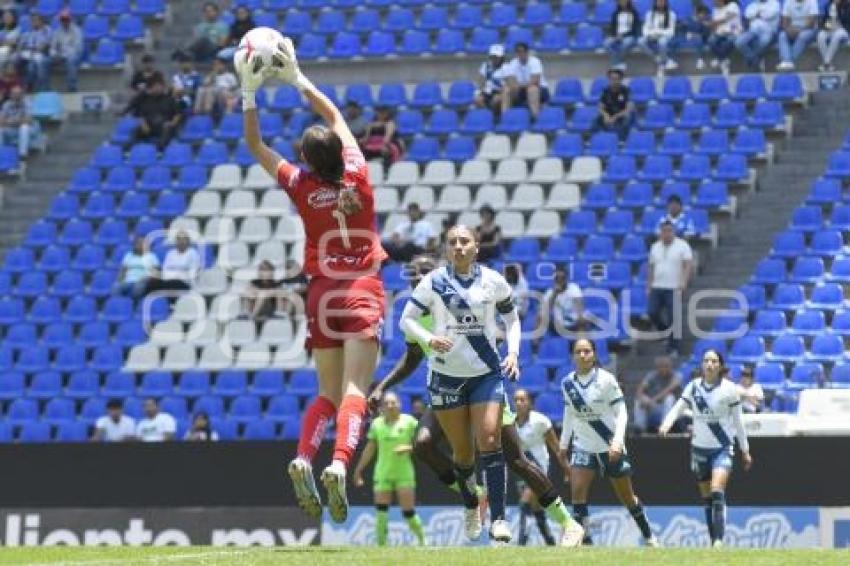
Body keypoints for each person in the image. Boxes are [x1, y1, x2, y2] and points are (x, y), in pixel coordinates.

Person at [239, 38, 388, 525]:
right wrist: (299, 76)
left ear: (305, 158)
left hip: (321, 292)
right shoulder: (357, 176)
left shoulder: (301, 186)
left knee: (325, 393)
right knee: (355, 392)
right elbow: (336, 118)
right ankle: (339, 466)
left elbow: (256, 146)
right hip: (361, 287)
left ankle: (305, 455)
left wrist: (250, 92)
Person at [370, 255, 584, 547]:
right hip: (446, 388)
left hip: (483, 384)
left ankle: (567, 521)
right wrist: (383, 386)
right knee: (423, 444)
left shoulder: (460, 299)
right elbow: (412, 358)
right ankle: (474, 495)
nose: (417, 278)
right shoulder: (417, 314)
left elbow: (498, 326)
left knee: (517, 460)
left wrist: (503, 347)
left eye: (424, 272)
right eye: (413, 275)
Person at [399, 224, 522, 543]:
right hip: (446, 377)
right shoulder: (434, 281)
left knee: (490, 438)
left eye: (464, 241)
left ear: (476, 247)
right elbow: (406, 320)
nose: (458, 246)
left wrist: (513, 353)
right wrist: (429, 337)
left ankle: (498, 519)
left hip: (486, 373)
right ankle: (470, 504)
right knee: (463, 454)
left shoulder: (493, 281)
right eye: (452, 242)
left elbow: (512, 319)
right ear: (446, 248)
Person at [560, 338, 658, 547]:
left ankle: (649, 536)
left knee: (627, 498)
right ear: (573, 356)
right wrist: (562, 445)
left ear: (594, 355)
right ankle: (586, 544)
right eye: (578, 351)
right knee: (577, 495)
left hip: (609, 446)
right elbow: (569, 413)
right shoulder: (567, 383)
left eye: (587, 351)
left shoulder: (606, 380)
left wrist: (617, 442)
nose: (583, 355)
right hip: (583, 446)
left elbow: (622, 413)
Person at [659, 349, 753, 548]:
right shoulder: (693, 388)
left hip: (722, 448)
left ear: (720, 366)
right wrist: (666, 423)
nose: (710, 364)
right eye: (706, 361)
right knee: (707, 499)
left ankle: (719, 541)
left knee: (717, 490)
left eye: (714, 361)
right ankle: (713, 542)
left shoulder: (730, 390)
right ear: (702, 365)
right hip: (699, 450)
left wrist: (745, 450)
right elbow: (677, 408)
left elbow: (739, 422)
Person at [353, 391, 426, 546]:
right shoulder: (377, 424)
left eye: (393, 402)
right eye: (387, 403)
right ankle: (381, 548)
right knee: (381, 513)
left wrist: (407, 447)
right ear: (382, 407)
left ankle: (423, 542)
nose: (390, 405)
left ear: (400, 404)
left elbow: (422, 444)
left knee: (408, 513)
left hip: (404, 473)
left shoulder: (410, 422)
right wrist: (358, 469)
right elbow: (370, 449)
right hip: (383, 473)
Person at [513, 389, 570, 546]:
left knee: (525, 502)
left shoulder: (540, 421)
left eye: (522, 399)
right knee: (536, 507)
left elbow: (556, 448)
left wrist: (567, 469)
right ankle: (550, 542)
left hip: (540, 468)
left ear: (530, 403)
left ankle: (521, 542)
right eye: (516, 400)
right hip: (521, 470)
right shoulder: (510, 423)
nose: (519, 403)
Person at [647, 222, 693, 356]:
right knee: (652, 312)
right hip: (657, 286)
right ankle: (665, 332)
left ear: (673, 232)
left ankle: (674, 348)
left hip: (674, 287)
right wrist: (648, 285)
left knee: (674, 317)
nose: (666, 234)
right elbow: (651, 267)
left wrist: (684, 281)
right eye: (664, 231)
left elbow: (688, 265)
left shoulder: (682, 246)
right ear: (660, 232)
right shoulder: (655, 247)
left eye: (669, 231)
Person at [633, 355, 682, 433]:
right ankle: (639, 428)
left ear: (670, 366)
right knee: (639, 401)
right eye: (661, 366)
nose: (664, 368)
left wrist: (653, 400)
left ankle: (665, 427)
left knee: (670, 398)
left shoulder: (677, 375)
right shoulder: (651, 375)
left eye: (666, 366)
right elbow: (640, 390)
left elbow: (668, 390)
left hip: (673, 410)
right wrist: (643, 399)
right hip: (654, 406)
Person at [500, 42, 549, 119]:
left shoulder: (535, 61)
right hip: (521, 90)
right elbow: (511, 81)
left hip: (540, 90)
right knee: (506, 89)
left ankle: (535, 117)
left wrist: (518, 86)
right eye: (518, 51)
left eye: (522, 51)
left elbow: (535, 81)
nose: (520, 53)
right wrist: (515, 86)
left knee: (532, 89)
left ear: (527, 52)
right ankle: (505, 117)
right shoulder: (513, 63)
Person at [130, 78, 181, 150]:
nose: (157, 88)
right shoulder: (146, 101)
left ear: (163, 87)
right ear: (151, 88)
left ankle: (159, 151)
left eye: (159, 86)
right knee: (135, 130)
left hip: (164, 126)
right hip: (149, 127)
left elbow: (177, 114)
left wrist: (172, 123)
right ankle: (129, 151)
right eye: (155, 86)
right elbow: (141, 115)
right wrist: (143, 124)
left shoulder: (169, 99)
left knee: (167, 129)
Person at [539, 266, 586, 335]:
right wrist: (554, 294)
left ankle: (581, 344)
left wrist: (579, 317)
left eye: (562, 278)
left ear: (566, 278)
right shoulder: (549, 293)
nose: (560, 280)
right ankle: (535, 344)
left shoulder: (574, 288)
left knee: (583, 320)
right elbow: (545, 311)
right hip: (557, 325)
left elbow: (579, 305)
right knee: (540, 318)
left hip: (573, 323)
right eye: (557, 278)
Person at [736, 0, 781, 70]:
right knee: (739, 42)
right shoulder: (754, 4)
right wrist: (757, 14)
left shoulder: (774, 3)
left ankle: (752, 60)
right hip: (752, 30)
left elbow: (769, 15)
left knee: (764, 41)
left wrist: (756, 15)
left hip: (768, 31)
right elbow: (747, 15)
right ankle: (755, 59)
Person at [593, 67, 635, 141]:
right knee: (595, 120)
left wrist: (615, 117)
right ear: (609, 79)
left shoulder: (626, 91)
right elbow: (600, 107)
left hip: (621, 115)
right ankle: (596, 141)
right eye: (612, 79)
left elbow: (629, 109)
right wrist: (605, 115)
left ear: (621, 79)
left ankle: (621, 142)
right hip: (609, 115)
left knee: (627, 119)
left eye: (616, 79)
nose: (614, 81)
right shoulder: (605, 91)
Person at [776, 0, 819, 70]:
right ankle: (788, 63)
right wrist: (788, 29)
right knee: (782, 35)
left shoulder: (812, 1)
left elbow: (812, 22)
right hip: (792, 28)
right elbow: (784, 20)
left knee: (802, 36)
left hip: (808, 29)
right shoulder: (788, 2)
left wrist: (799, 30)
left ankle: (788, 61)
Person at [639, 0, 678, 74]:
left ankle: (661, 64)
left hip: (665, 36)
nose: (660, 3)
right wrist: (650, 35)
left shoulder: (671, 14)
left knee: (662, 42)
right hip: (651, 36)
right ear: (655, 3)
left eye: (662, 1)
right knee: (640, 41)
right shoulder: (649, 14)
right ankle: (659, 58)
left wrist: (659, 34)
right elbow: (645, 28)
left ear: (666, 3)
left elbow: (671, 31)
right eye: (659, 1)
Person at [50, 9, 83, 92]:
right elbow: (53, 47)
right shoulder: (57, 32)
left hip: (74, 56)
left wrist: (63, 54)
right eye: (62, 19)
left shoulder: (77, 31)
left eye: (66, 19)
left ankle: (72, 87)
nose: (64, 21)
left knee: (71, 60)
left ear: (70, 19)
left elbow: (78, 48)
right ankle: (44, 87)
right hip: (60, 56)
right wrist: (54, 54)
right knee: (44, 61)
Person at [707, 0, 743, 75]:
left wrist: (714, 22)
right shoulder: (715, 9)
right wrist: (713, 27)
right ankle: (723, 59)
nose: (714, 2)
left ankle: (720, 59)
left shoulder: (733, 5)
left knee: (729, 41)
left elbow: (728, 17)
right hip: (720, 32)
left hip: (733, 32)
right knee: (711, 40)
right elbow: (714, 25)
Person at [17, 13, 51, 91]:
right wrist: (20, 49)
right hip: (29, 54)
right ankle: (16, 85)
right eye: (32, 21)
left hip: (42, 55)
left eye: (36, 20)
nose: (33, 23)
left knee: (32, 67)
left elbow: (44, 46)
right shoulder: (28, 32)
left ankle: (42, 88)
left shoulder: (47, 30)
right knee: (15, 60)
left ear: (41, 21)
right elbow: (21, 44)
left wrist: (33, 49)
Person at [606, 0, 642, 70]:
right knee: (606, 43)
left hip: (630, 36)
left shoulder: (634, 13)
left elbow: (635, 29)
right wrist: (615, 36)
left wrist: (623, 35)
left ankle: (616, 63)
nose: (622, 2)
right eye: (620, 1)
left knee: (625, 43)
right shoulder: (615, 13)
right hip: (617, 36)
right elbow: (612, 27)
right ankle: (618, 63)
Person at [0, 85, 32, 158]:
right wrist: (11, 122)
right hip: (10, 127)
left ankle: (22, 154)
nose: (16, 96)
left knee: (24, 127)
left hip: (25, 128)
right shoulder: (6, 104)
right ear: (10, 95)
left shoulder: (27, 103)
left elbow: (28, 120)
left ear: (22, 95)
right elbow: (1, 120)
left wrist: (12, 121)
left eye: (18, 94)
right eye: (14, 94)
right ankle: (1, 153)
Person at [817, 0, 850, 71]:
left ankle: (826, 63)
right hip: (831, 28)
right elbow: (825, 20)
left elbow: (847, 20)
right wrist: (827, 26)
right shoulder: (829, 5)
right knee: (821, 36)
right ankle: (829, 64)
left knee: (837, 35)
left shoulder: (847, 5)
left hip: (844, 29)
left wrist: (838, 8)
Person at [474, 44, 508, 113]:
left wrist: (501, 92)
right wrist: (480, 91)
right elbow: (480, 81)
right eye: (493, 56)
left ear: (501, 57)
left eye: (497, 57)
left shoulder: (507, 67)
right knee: (478, 99)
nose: (494, 59)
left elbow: (508, 84)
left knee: (496, 100)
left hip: (499, 92)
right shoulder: (485, 66)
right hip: (487, 92)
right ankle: (487, 115)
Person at [681, 5, 712, 70]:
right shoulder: (688, 20)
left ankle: (700, 60)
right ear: (697, 13)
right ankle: (700, 60)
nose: (703, 16)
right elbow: (683, 30)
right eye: (702, 14)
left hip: (701, 39)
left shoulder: (705, 21)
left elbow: (706, 34)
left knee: (699, 40)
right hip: (688, 38)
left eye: (705, 14)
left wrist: (705, 25)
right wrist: (688, 34)